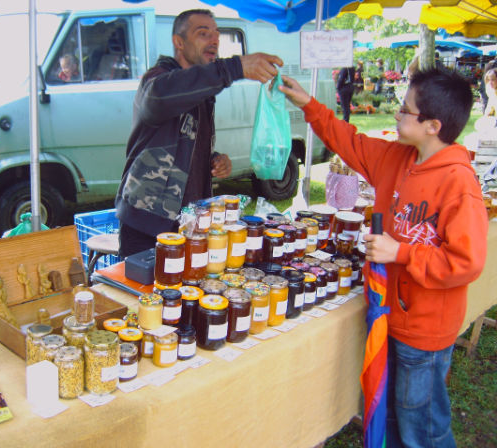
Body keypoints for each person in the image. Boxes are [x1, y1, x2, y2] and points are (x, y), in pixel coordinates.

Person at [278, 69, 488, 447]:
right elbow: (351, 143)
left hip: (425, 329)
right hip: (387, 314)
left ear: (432, 125)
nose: (396, 113)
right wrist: (308, 105)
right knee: (389, 412)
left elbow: (467, 262)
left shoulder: (459, 183)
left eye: (405, 110)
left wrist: (401, 252)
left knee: (422, 425)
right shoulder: (397, 157)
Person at [115, 9, 282, 258]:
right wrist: (233, 68)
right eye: (203, 33)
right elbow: (160, 97)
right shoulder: (157, 79)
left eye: (216, 34)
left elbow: (184, 142)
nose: (214, 40)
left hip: (190, 224)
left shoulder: (203, 91)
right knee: (145, 295)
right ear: (179, 42)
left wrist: (214, 158)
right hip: (148, 224)